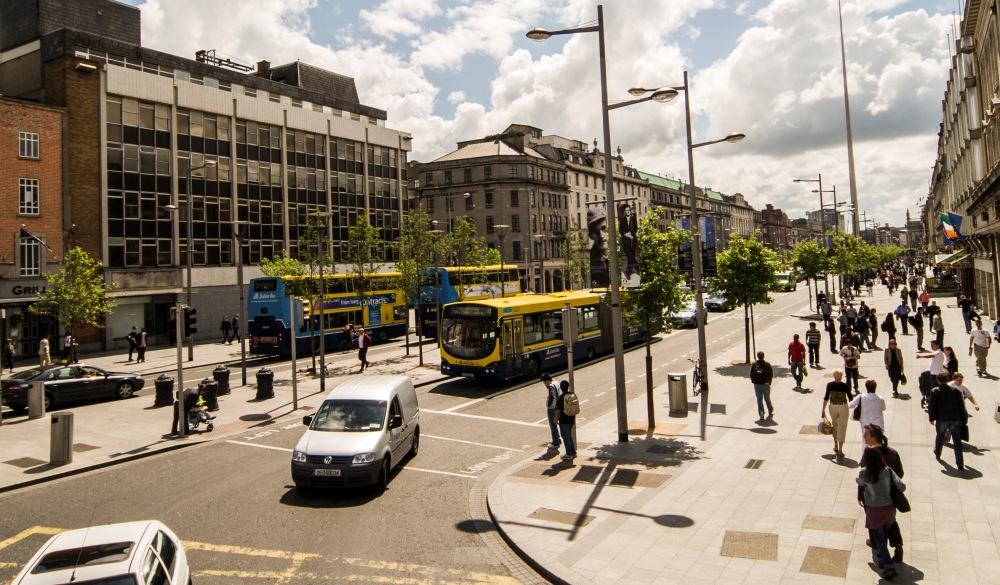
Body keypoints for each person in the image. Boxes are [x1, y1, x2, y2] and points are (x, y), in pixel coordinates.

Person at [856, 446, 904, 580]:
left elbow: (859, 484)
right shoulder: (888, 471)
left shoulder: (863, 473)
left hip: (873, 510)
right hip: (889, 509)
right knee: (885, 533)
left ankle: (889, 566)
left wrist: (861, 496)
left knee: (880, 540)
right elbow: (902, 486)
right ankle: (882, 557)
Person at [860, 424, 905, 563]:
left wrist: (860, 496)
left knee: (874, 523)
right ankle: (898, 545)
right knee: (890, 521)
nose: (864, 437)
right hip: (891, 496)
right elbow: (900, 473)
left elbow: (862, 475)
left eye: (866, 434)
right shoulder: (892, 452)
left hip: (872, 497)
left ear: (874, 437)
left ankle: (878, 548)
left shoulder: (870, 452)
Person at [928, 371, 969, 470]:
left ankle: (938, 453)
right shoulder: (956, 391)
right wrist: (964, 419)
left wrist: (931, 417)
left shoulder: (935, 391)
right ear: (947, 380)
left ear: (938, 380)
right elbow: (961, 407)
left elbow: (932, 406)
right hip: (955, 419)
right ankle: (960, 463)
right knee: (957, 441)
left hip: (942, 419)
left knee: (940, 436)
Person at [821, 369, 852, 458]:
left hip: (833, 407)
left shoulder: (830, 385)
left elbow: (826, 397)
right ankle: (841, 450)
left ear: (834, 376)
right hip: (843, 407)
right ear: (841, 376)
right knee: (842, 427)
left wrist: (823, 409)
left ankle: (835, 446)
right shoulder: (845, 386)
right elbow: (850, 398)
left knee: (835, 426)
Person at [849, 380, 886, 445]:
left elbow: (851, 405)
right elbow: (883, 408)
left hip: (865, 421)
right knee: (878, 441)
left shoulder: (861, 397)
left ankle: (865, 454)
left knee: (865, 441)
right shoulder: (880, 399)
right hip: (878, 422)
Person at [587, 207, 610, 288]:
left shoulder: (622, 253)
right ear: (590, 236)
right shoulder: (592, 260)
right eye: (596, 232)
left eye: (604, 228)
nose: (601, 235)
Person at [554, 380, 577, 461]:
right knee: (569, 436)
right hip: (572, 419)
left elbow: (558, 412)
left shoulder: (561, 398)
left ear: (561, 388)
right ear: (568, 386)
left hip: (564, 421)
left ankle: (569, 454)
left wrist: (556, 420)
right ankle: (573, 452)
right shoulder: (572, 395)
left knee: (565, 437)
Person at [749, 351, 775, 421]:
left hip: (757, 384)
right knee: (767, 398)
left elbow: (751, 374)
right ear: (763, 356)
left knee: (759, 399)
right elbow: (771, 374)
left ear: (757, 356)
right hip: (766, 384)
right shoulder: (767, 364)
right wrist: (769, 382)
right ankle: (770, 409)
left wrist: (754, 381)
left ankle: (761, 413)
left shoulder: (754, 364)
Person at [540, 373, 561, 450]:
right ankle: (558, 439)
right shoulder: (556, 382)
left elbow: (552, 395)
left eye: (545, 382)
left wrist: (548, 404)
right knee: (555, 424)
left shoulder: (551, 386)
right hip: (557, 405)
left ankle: (555, 442)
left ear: (548, 380)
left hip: (552, 407)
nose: (545, 384)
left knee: (553, 425)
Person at [618, 202, 639, 279]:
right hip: (626, 240)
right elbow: (620, 230)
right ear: (625, 212)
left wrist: (631, 234)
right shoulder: (622, 220)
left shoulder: (633, 219)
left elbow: (636, 228)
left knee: (631, 255)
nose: (628, 211)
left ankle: (628, 272)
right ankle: (636, 268)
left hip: (632, 239)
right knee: (629, 255)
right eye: (627, 210)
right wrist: (626, 234)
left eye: (629, 210)